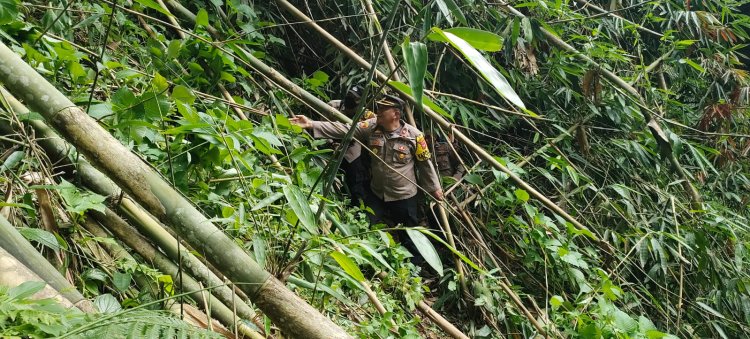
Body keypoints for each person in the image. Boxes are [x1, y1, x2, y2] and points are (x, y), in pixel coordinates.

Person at [290, 94, 443, 261]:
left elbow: (425, 164)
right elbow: (344, 129)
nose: (378, 112)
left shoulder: (415, 136)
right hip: (377, 192)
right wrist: (311, 124)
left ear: (396, 114)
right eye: (379, 108)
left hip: (404, 196)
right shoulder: (371, 127)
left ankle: (417, 269)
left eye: (383, 109)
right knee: (364, 225)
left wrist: (435, 189)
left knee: (411, 236)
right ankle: (365, 262)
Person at [325, 86, 375, 207]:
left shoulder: (366, 114)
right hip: (331, 148)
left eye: (355, 99)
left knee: (356, 179)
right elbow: (323, 126)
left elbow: (375, 127)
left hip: (353, 151)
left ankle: (358, 207)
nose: (351, 100)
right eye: (350, 96)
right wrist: (331, 143)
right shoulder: (333, 106)